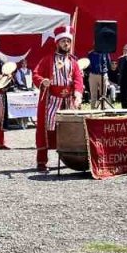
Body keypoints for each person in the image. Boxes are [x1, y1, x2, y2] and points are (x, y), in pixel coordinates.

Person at [34, 25, 85, 172]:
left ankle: (70, 157)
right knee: (47, 128)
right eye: (63, 41)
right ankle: (42, 161)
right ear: (57, 42)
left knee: (69, 129)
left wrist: (78, 94)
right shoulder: (47, 59)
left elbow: (78, 80)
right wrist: (42, 81)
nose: (66, 44)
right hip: (52, 100)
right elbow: (36, 74)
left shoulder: (73, 62)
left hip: (68, 100)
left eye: (68, 41)